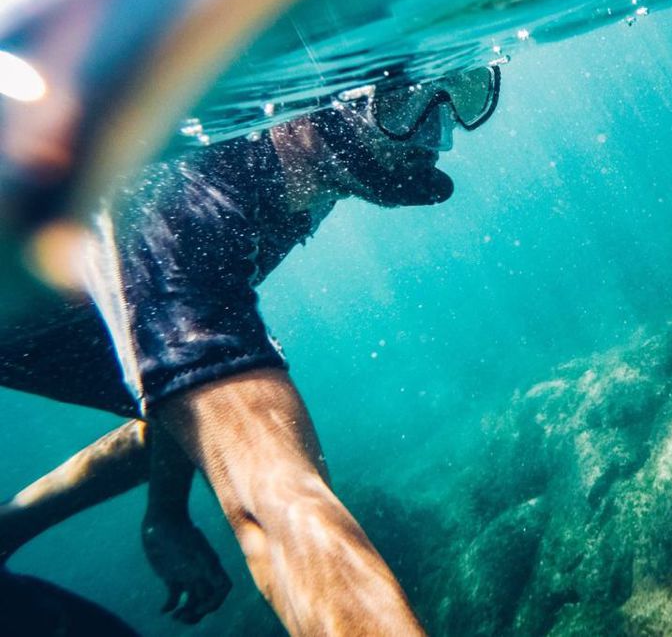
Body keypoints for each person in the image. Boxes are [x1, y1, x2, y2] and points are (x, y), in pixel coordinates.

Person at [0, 63, 502, 635]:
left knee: (216, 384)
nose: (437, 135)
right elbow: (277, 506)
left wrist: (165, 512)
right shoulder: (185, 205)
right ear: (313, 95)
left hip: (62, 320)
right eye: (398, 102)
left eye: (462, 93)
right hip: (37, 318)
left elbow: (191, 390)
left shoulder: (314, 161)